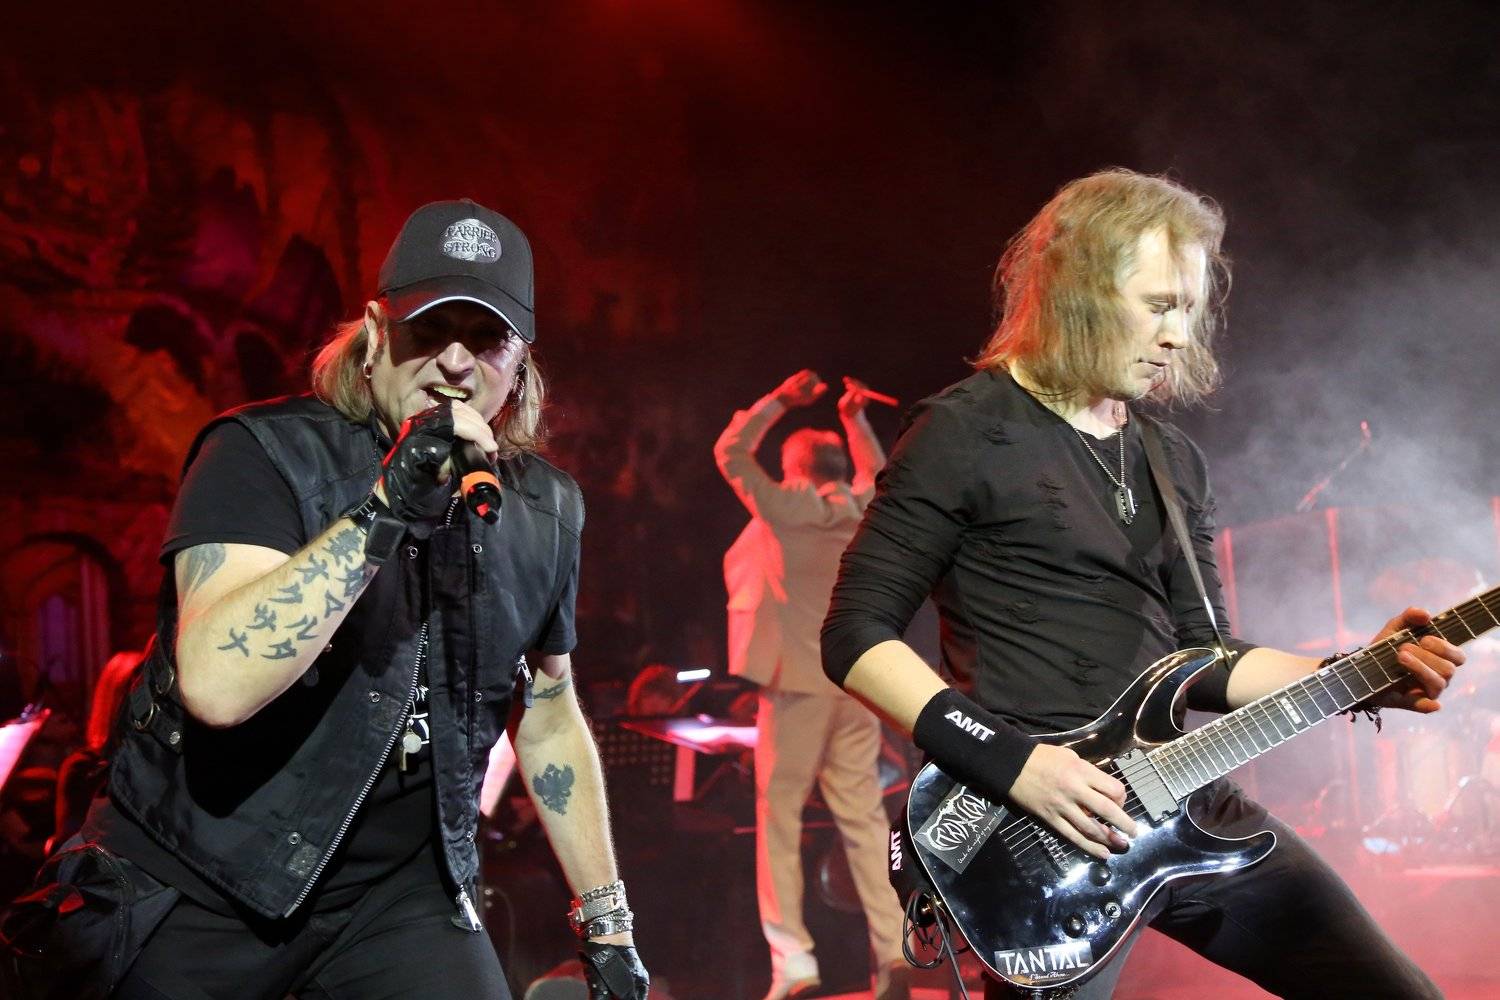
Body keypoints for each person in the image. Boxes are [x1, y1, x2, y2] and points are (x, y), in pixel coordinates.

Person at [820, 169, 1466, 999]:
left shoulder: (1171, 458)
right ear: (1078, 291)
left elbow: (1207, 656)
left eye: (1189, 310)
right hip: (1035, 826)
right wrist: (1017, 766)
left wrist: (1353, 676)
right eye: (1159, 305)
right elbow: (855, 635)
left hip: (1184, 801)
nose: (1178, 335)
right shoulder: (963, 433)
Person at [36, 200, 648, 1000]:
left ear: (520, 358)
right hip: (207, 877)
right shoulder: (261, 453)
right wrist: (386, 508)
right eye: (430, 328)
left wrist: (608, 923)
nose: (455, 363)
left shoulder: (544, 510)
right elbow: (217, 686)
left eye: (487, 337)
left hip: (401, 899)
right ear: (376, 332)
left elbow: (549, 713)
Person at [715, 371, 908, 1000]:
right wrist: (855, 418)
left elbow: (731, 451)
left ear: (793, 467)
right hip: (855, 687)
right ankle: (894, 950)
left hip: (796, 687)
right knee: (864, 820)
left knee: (780, 819)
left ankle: (793, 960)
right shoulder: (864, 507)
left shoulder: (784, 509)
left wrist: (778, 400)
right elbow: (878, 472)